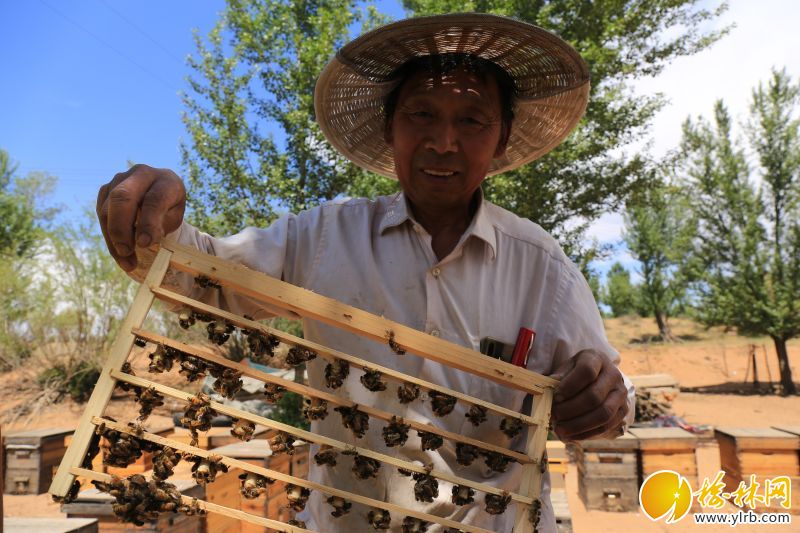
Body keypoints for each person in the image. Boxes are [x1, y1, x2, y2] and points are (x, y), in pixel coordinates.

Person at [97, 13, 634, 532]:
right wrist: (155, 224)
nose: (443, 142)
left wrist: (607, 399)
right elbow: (203, 279)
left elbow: (610, 393)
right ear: (388, 126)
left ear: (501, 136)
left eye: (471, 120)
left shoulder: (542, 265)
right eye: (421, 114)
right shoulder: (321, 238)